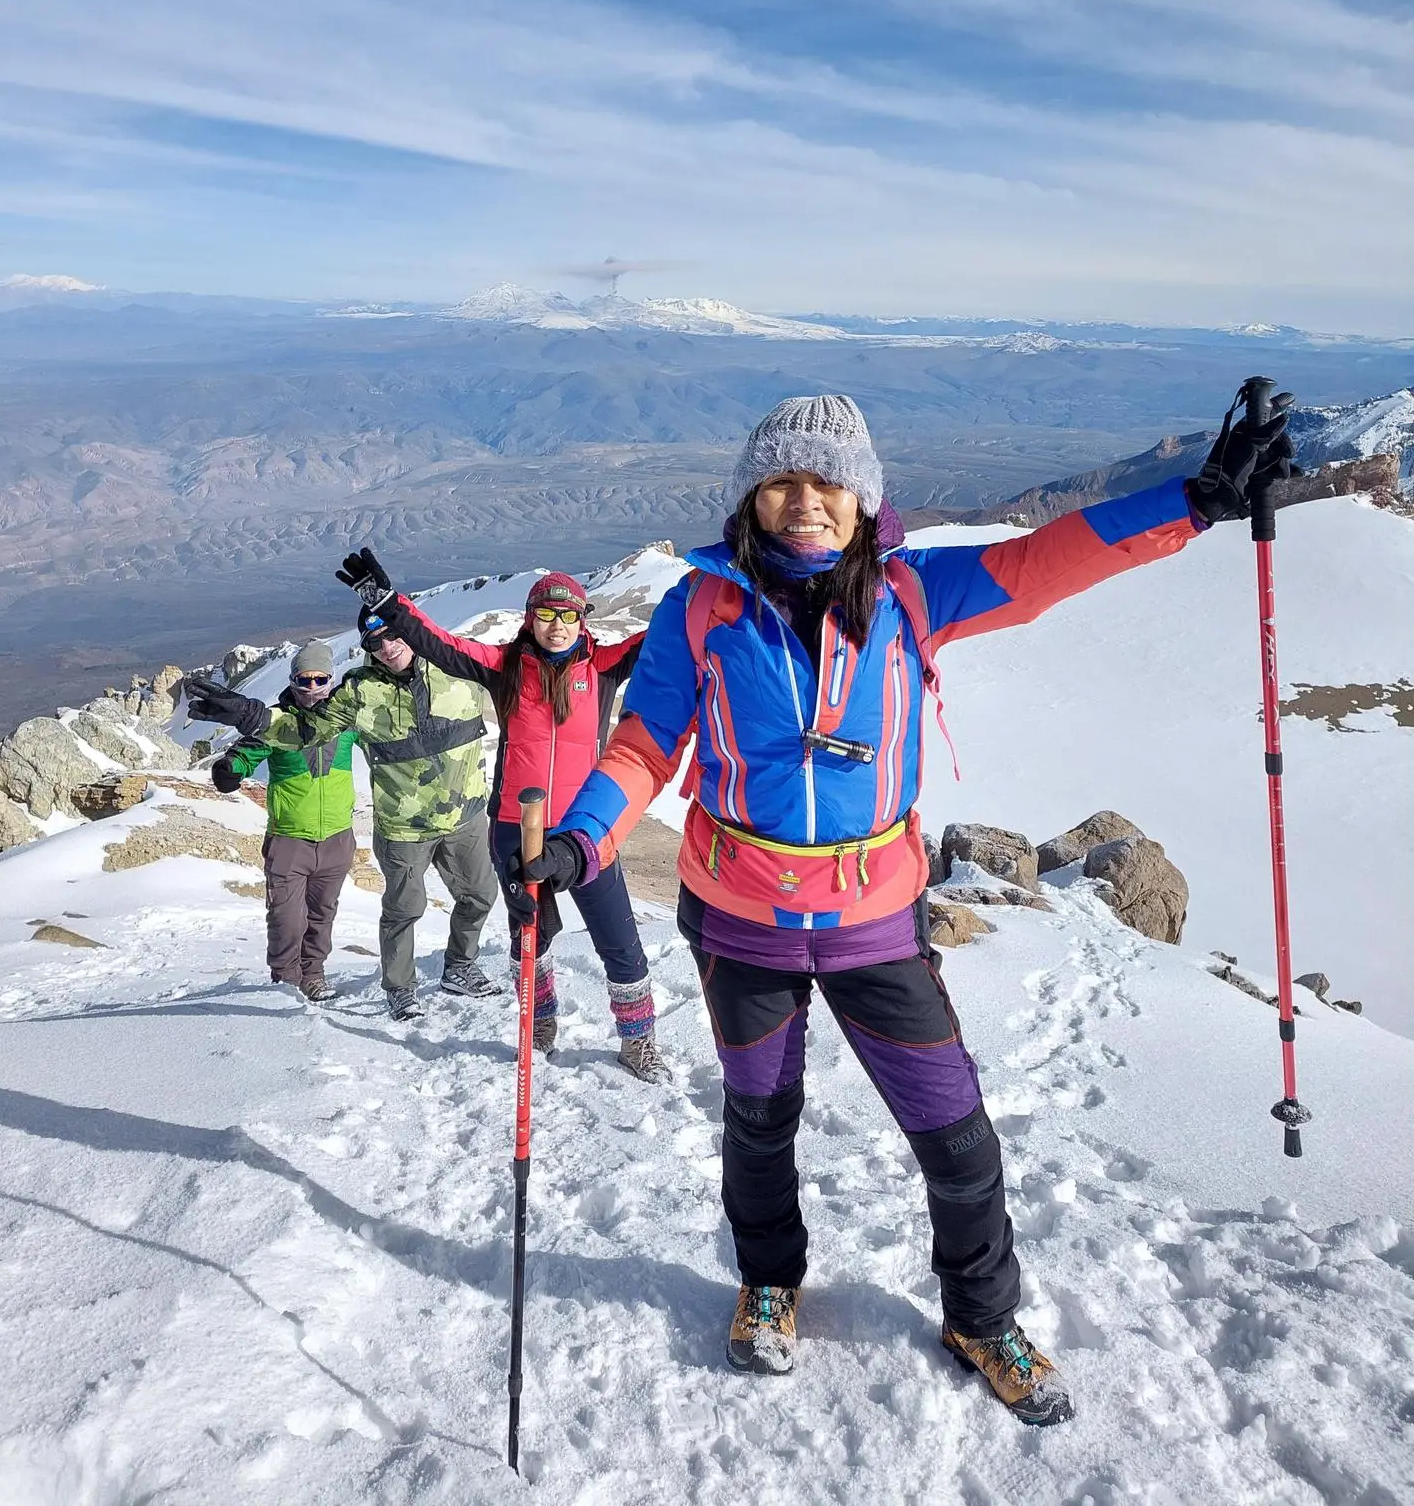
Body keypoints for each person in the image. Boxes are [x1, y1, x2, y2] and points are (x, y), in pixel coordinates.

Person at [509, 390, 1293, 1424]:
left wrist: (1192, 502)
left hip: (872, 916)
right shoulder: (701, 610)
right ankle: (769, 1281)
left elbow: (1042, 563)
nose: (806, 500)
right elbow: (644, 745)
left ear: (864, 499)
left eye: (829, 482)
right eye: (782, 480)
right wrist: (583, 837)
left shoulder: (912, 595)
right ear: (749, 497)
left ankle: (981, 1316)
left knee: (956, 1137)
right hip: (741, 914)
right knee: (759, 1122)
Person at [334, 553, 667, 1082]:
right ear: (530, 618)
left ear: (583, 620)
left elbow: (669, 631)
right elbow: (438, 644)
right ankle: (540, 1022)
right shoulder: (503, 666)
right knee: (531, 937)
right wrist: (389, 605)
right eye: (547, 615)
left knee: (618, 937)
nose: (557, 626)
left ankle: (638, 1040)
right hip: (516, 828)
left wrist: (721, 589)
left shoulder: (603, 665)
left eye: (569, 616)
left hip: (587, 829)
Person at [188, 618, 499, 1022]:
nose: (387, 647)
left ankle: (453, 966)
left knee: (476, 896)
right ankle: (371, 987)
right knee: (381, 911)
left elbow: (516, 672)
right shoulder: (358, 695)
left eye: (394, 634)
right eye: (375, 642)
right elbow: (294, 732)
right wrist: (249, 722)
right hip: (374, 829)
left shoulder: (454, 664)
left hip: (442, 820)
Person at [209, 640, 355, 1004]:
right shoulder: (278, 723)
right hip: (290, 839)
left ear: (331, 679)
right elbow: (247, 751)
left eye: (319, 680)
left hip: (337, 838)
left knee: (322, 916)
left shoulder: (347, 721)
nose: (311, 688)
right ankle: (286, 983)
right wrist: (229, 768)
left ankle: (314, 975)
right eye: (303, 680)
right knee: (286, 919)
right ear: (292, 681)